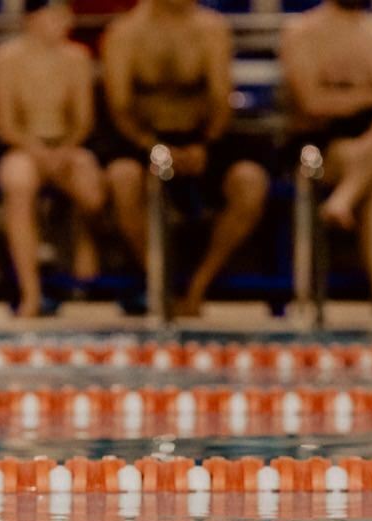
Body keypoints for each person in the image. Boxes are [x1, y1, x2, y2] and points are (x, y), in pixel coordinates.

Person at [100, 0, 269, 317]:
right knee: (122, 178)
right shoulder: (125, 33)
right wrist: (151, 146)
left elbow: (221, 100)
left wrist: (204, 145)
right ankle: (161, 282)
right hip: (143, 138)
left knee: (250, 182)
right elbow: (120, 106)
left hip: (200, 138)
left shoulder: (211, 29)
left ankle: (197, 286)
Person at [280, 0, 372, 315]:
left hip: (371, 139)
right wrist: (367, 95)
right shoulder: (302, 32)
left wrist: (346, 97)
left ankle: (345, 196)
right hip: (318, 146)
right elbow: (311, 103)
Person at [0, 0, 107, 317]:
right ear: (32, 19)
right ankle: (31, 291)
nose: (65, 21)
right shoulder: (7, 59)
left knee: (93, 192)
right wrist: (38, 152)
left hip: (67, 145)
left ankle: (82, 239)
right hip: (24, 147)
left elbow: (84, 120)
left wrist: (63, 151)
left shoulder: (77, 58)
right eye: (56, 15)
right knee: (18, 182)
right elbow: (6, 124)